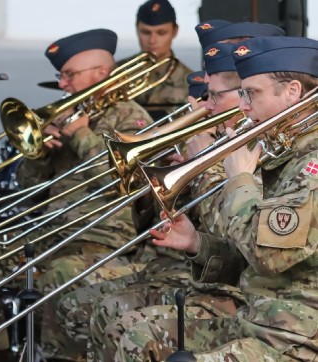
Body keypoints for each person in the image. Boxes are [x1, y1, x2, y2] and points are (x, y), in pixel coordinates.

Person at [115, 35, 318, 361]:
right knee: (138, 337)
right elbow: (260, 263)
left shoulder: (312, 165)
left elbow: (268, 256)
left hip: (295, 334)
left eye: (252, 94)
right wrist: (198, 244)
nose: (244, 106)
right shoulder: (285, 150)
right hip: (259, 317)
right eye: (241, 93)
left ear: (292, 92)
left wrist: (238, 181)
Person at [81, 42, 248, 362]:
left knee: (131, 330)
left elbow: (243, 235)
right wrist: (193, 238)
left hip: (240, 297)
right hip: (206, 278)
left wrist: (204, 167)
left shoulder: (258, 150)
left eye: (214, 96)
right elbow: (155, 220)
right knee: (108, 313)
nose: (204, 107)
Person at [15, 29, 154, 361]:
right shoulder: (67, 115)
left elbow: (123, 181)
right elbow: (27, 190)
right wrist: (38, 154)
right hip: (53, 232)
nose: (62, 84)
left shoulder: (131, 118)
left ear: (101, 73)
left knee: (59, 275)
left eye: (69, 74)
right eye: (61, 75)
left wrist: (81, 135)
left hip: (103, 237)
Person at [129, 0, 192, 120]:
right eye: (145, 32)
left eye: (161, 33)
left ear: (175, 31)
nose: (152, 40)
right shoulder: (116, 74)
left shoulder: (191, 81)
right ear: (137, 29)